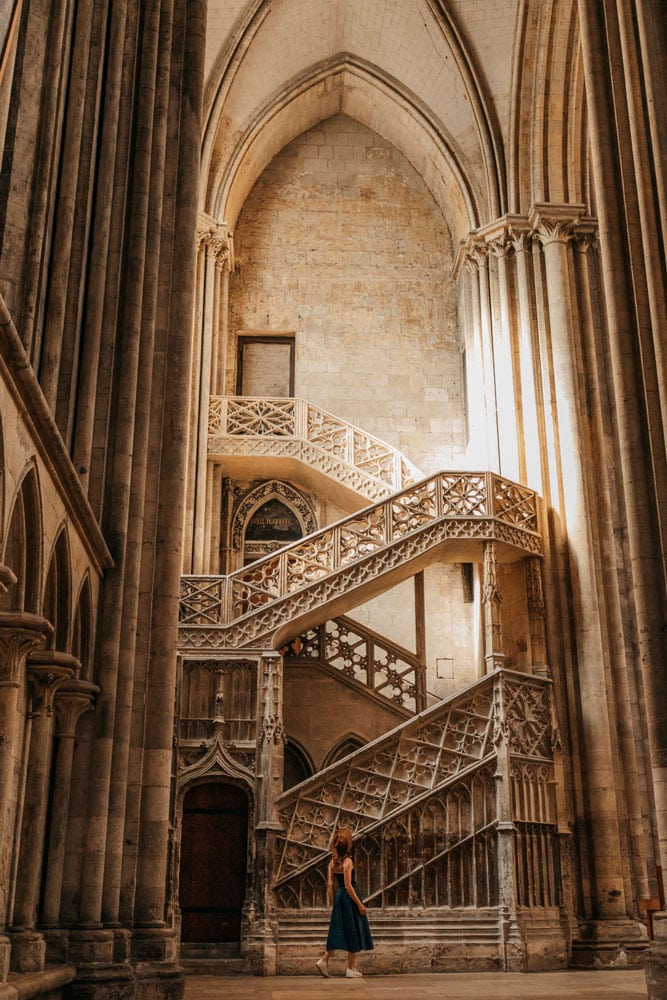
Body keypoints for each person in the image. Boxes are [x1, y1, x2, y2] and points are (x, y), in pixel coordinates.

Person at [315, 828, 373, 978]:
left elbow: (329, 884)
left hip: (339, 897)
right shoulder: (348, 862)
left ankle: (325, 960)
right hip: (349, 897)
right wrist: (360, 904)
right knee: (352, 929)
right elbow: (348, 886)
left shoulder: (332, 863)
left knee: (338, 929)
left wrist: (332, 901)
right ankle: (350, 968)